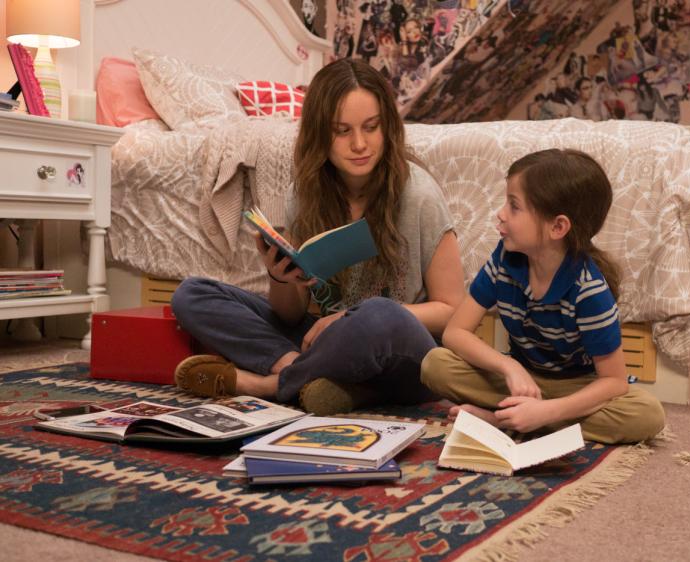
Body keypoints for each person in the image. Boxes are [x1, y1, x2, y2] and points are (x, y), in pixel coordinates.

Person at [171, 58, 465, 416]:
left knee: (379, 314)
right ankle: (320, 379)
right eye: (342, 131)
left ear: (387, 126)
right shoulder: (305, 195)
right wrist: (280, 277)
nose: (360, 144)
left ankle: (271, 384)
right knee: (192, 294)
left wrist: (351, 318)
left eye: (371, 127)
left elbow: (452, 310)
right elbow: (291, 315)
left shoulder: (419, 194)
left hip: (404, 356)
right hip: (329, 343)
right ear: (319, 134)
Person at [421, 149, 665, 444]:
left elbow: (614, 382)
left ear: (558, 227)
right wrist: (509, 367)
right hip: (522, 380)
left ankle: (505, 419)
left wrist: (547, 412)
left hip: (576, 387)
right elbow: (455, 333)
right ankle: (524, 415)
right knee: (435, 364)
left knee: (647, 415)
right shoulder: (504, 260)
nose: (500, 213)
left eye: (514, 206)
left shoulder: (589, 290)